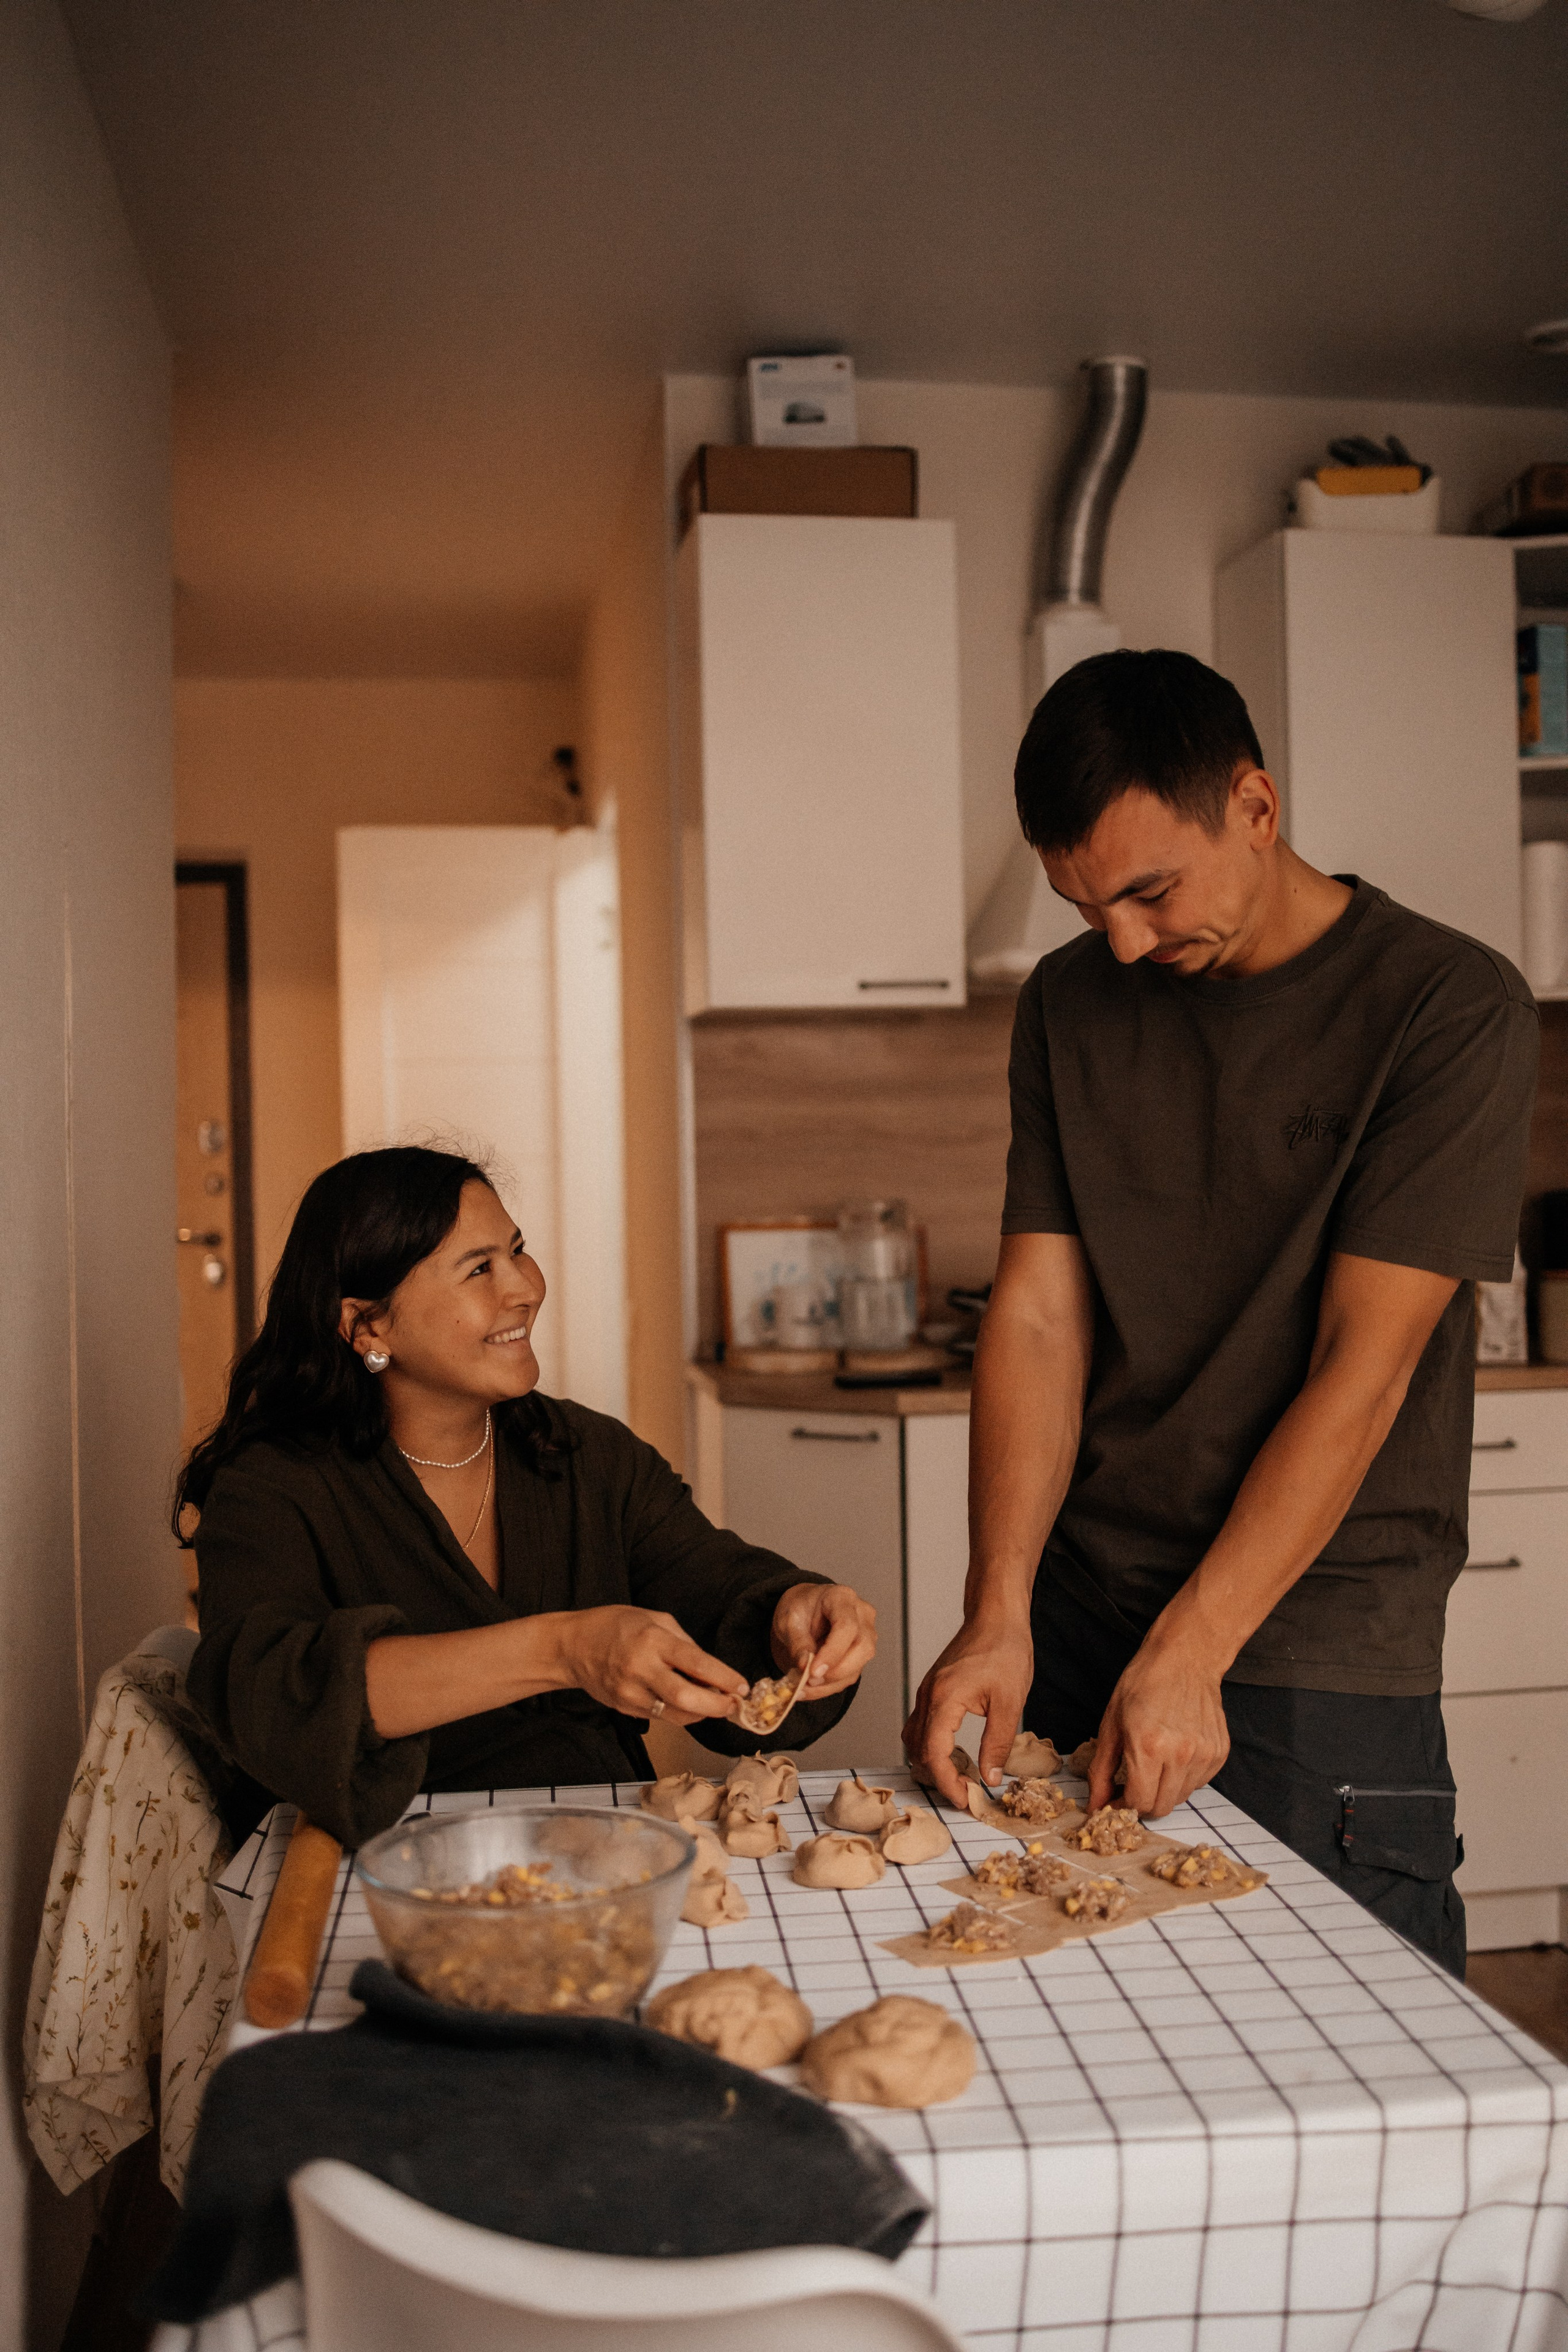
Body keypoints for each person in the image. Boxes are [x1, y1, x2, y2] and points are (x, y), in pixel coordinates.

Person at [906, 649, 1537, 1975]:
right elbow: (1034, 1317)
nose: (1126, 943)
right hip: (1085, 1602)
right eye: (1088, 909)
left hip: (1316, 1624)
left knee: (1346, 2035)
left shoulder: (1443, 1005)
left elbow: (1360, 1371)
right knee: (1069, 2010)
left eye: (1148, 891)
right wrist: (997, 1606)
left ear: (1252, 805)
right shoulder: (1071, 1003)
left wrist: (1195, 1648)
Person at [179, 1147, 876, 1847]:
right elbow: (268, 1693)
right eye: (479, 1269)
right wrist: (564, 1649)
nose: (525, 1288)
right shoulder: (274, 1486)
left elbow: (718, 1589)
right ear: (368, 1327)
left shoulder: (583, 1454)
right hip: (369, 1871)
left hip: (600, 1855)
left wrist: (796, 1613)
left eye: (518, 1251)